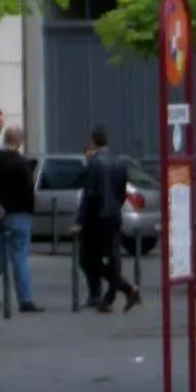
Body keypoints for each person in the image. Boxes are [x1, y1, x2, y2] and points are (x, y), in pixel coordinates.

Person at [75, 124, 140, 312]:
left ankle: (125, 289)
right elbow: (121, 192)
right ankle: (111, 297)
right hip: (113, 216)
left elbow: (89, 194)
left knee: (88, 260)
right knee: (112, 258)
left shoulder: (93, 163)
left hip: (95, 219)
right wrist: (115, 208)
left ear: (93, 141)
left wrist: (80, 221)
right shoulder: (119, 162)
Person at [0, 125, 42, 311]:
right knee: (20, 257)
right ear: (20, 141)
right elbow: (28, 192)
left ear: (5, 139)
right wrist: (29, 211)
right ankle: (25, 300)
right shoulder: (23, 163)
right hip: (19, 215)